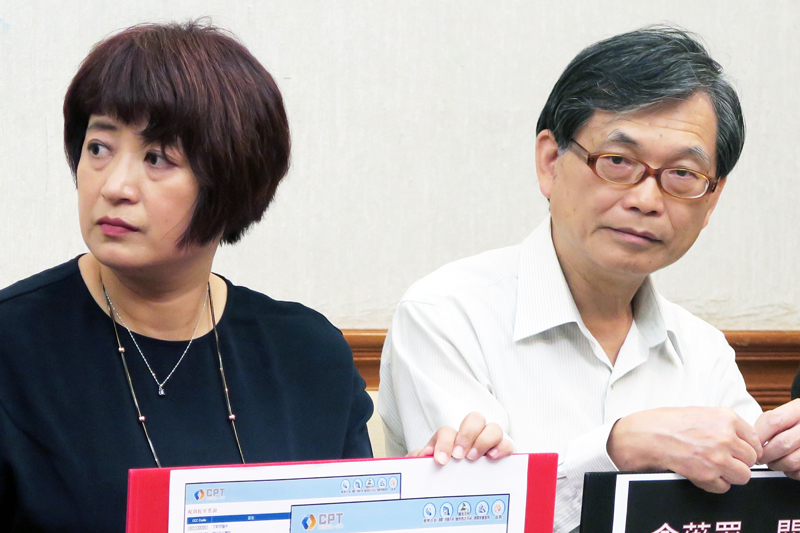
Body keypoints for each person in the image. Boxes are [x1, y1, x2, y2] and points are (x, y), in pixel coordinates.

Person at [0, 21, 505, 532]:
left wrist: (430, 493)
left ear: (230, 178)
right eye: (98, 148)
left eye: (156, 158)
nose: (115, 186)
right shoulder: (13, 344)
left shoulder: (309, 357)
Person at [378, 26, 800, 533]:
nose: (646, 199)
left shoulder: (703, 351)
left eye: (682, 174)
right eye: (618, 162)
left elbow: (748, 511)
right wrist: (617, 449)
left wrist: (784, 461)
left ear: (711, 200)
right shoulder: (446, 315)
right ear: (550, 162)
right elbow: (467, 516)